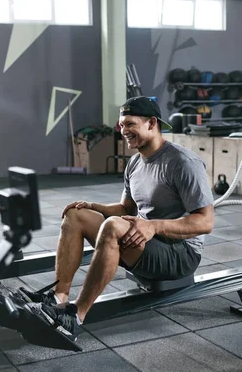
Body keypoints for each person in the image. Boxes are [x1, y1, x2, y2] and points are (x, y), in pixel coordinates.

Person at [20, 96, 215, 342]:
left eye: (130, 124)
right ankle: (59, 296)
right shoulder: (134, 163)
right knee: (76, 215)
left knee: (113, 226)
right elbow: (126, 207)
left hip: (181, 254)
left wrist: (153, 226)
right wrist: (93, 206)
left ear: (152, 123)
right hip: (144, 241)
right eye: (121, 125)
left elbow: (205, 222)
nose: (123, 131)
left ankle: (75, 317)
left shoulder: (182, 162)